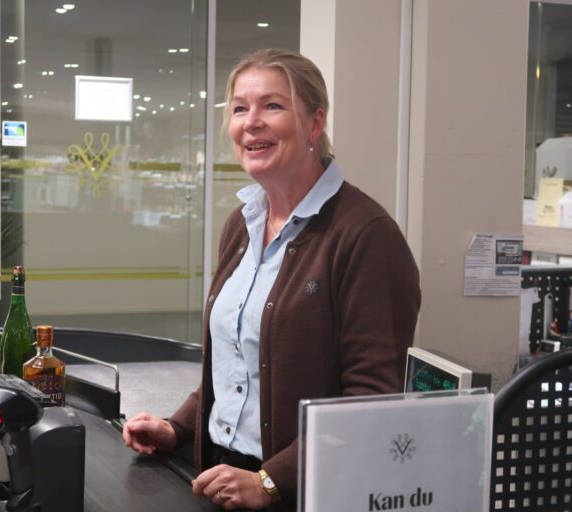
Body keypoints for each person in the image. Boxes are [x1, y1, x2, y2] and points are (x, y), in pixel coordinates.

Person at [122, 48, 421, 511]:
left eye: (273, 105)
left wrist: (271, 481)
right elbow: (234, 368)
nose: (251, 122)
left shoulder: (365, 235)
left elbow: (372, 400)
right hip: (220, 475)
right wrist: (177, 428)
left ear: (315, 123)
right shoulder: (242, 224)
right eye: (240, 108)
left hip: (303, 494)